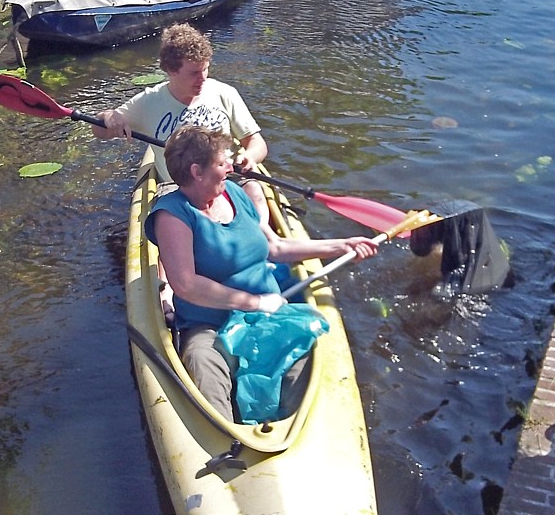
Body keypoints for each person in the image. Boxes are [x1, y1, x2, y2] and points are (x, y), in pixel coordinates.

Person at [144, 126, 379, 421]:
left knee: (303, 354)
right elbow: (186, 284)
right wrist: (254, 303)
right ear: (197, 171)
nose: (231, 167)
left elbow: (276, 248)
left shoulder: (232, 193)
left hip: (270, 313)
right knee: (202, 361)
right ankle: (227, 438)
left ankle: (291, 423)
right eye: (222, 163)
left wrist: (341, 246)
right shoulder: (173, 215)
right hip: (210, 324)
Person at [92, 23, 269, 316]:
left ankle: (265, 241)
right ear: (171, 70)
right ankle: (168, 290)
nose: (203, 79)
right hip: (177, 185)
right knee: (175, 222)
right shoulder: (149, 103)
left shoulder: (223, 93)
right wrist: (110, 118)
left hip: (224, 176)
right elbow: (101, 130)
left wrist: (249, 157)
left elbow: (256, 142)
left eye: (206, 69)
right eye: (194, 73)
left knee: (254, 187)